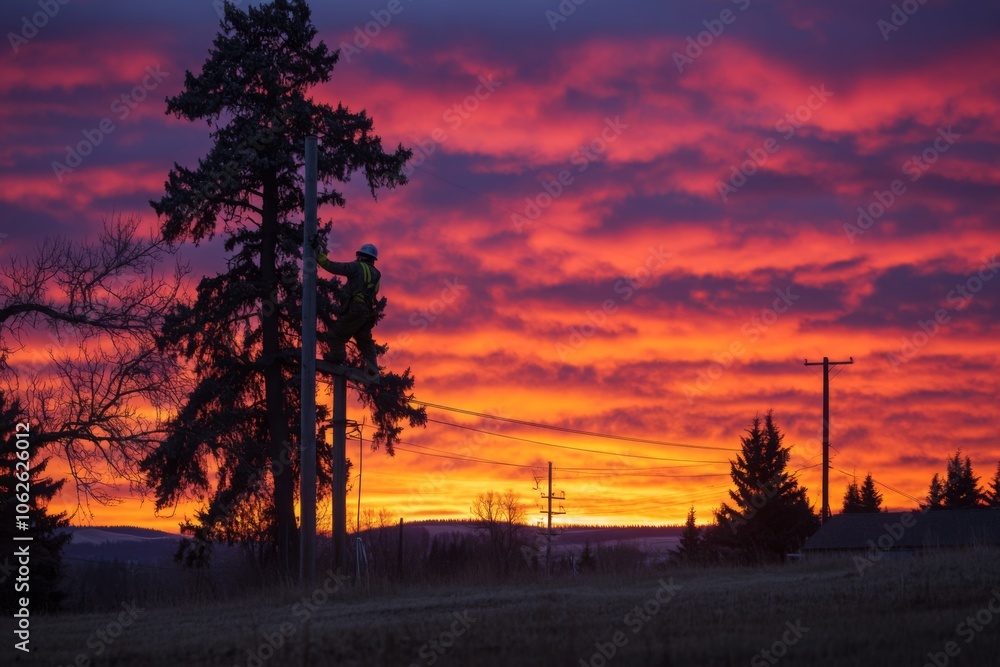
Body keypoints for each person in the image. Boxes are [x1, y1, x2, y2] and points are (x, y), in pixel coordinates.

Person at [316, 242, 381, 380]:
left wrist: (319, 257)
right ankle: (372, 369)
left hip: (355, 309)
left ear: (362, 257)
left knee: (336, 335)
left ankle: (337, 357)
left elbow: (334, 267)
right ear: (373, 259)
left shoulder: (357, 267)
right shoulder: (376, 274)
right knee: (365, 341)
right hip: (368, 313)